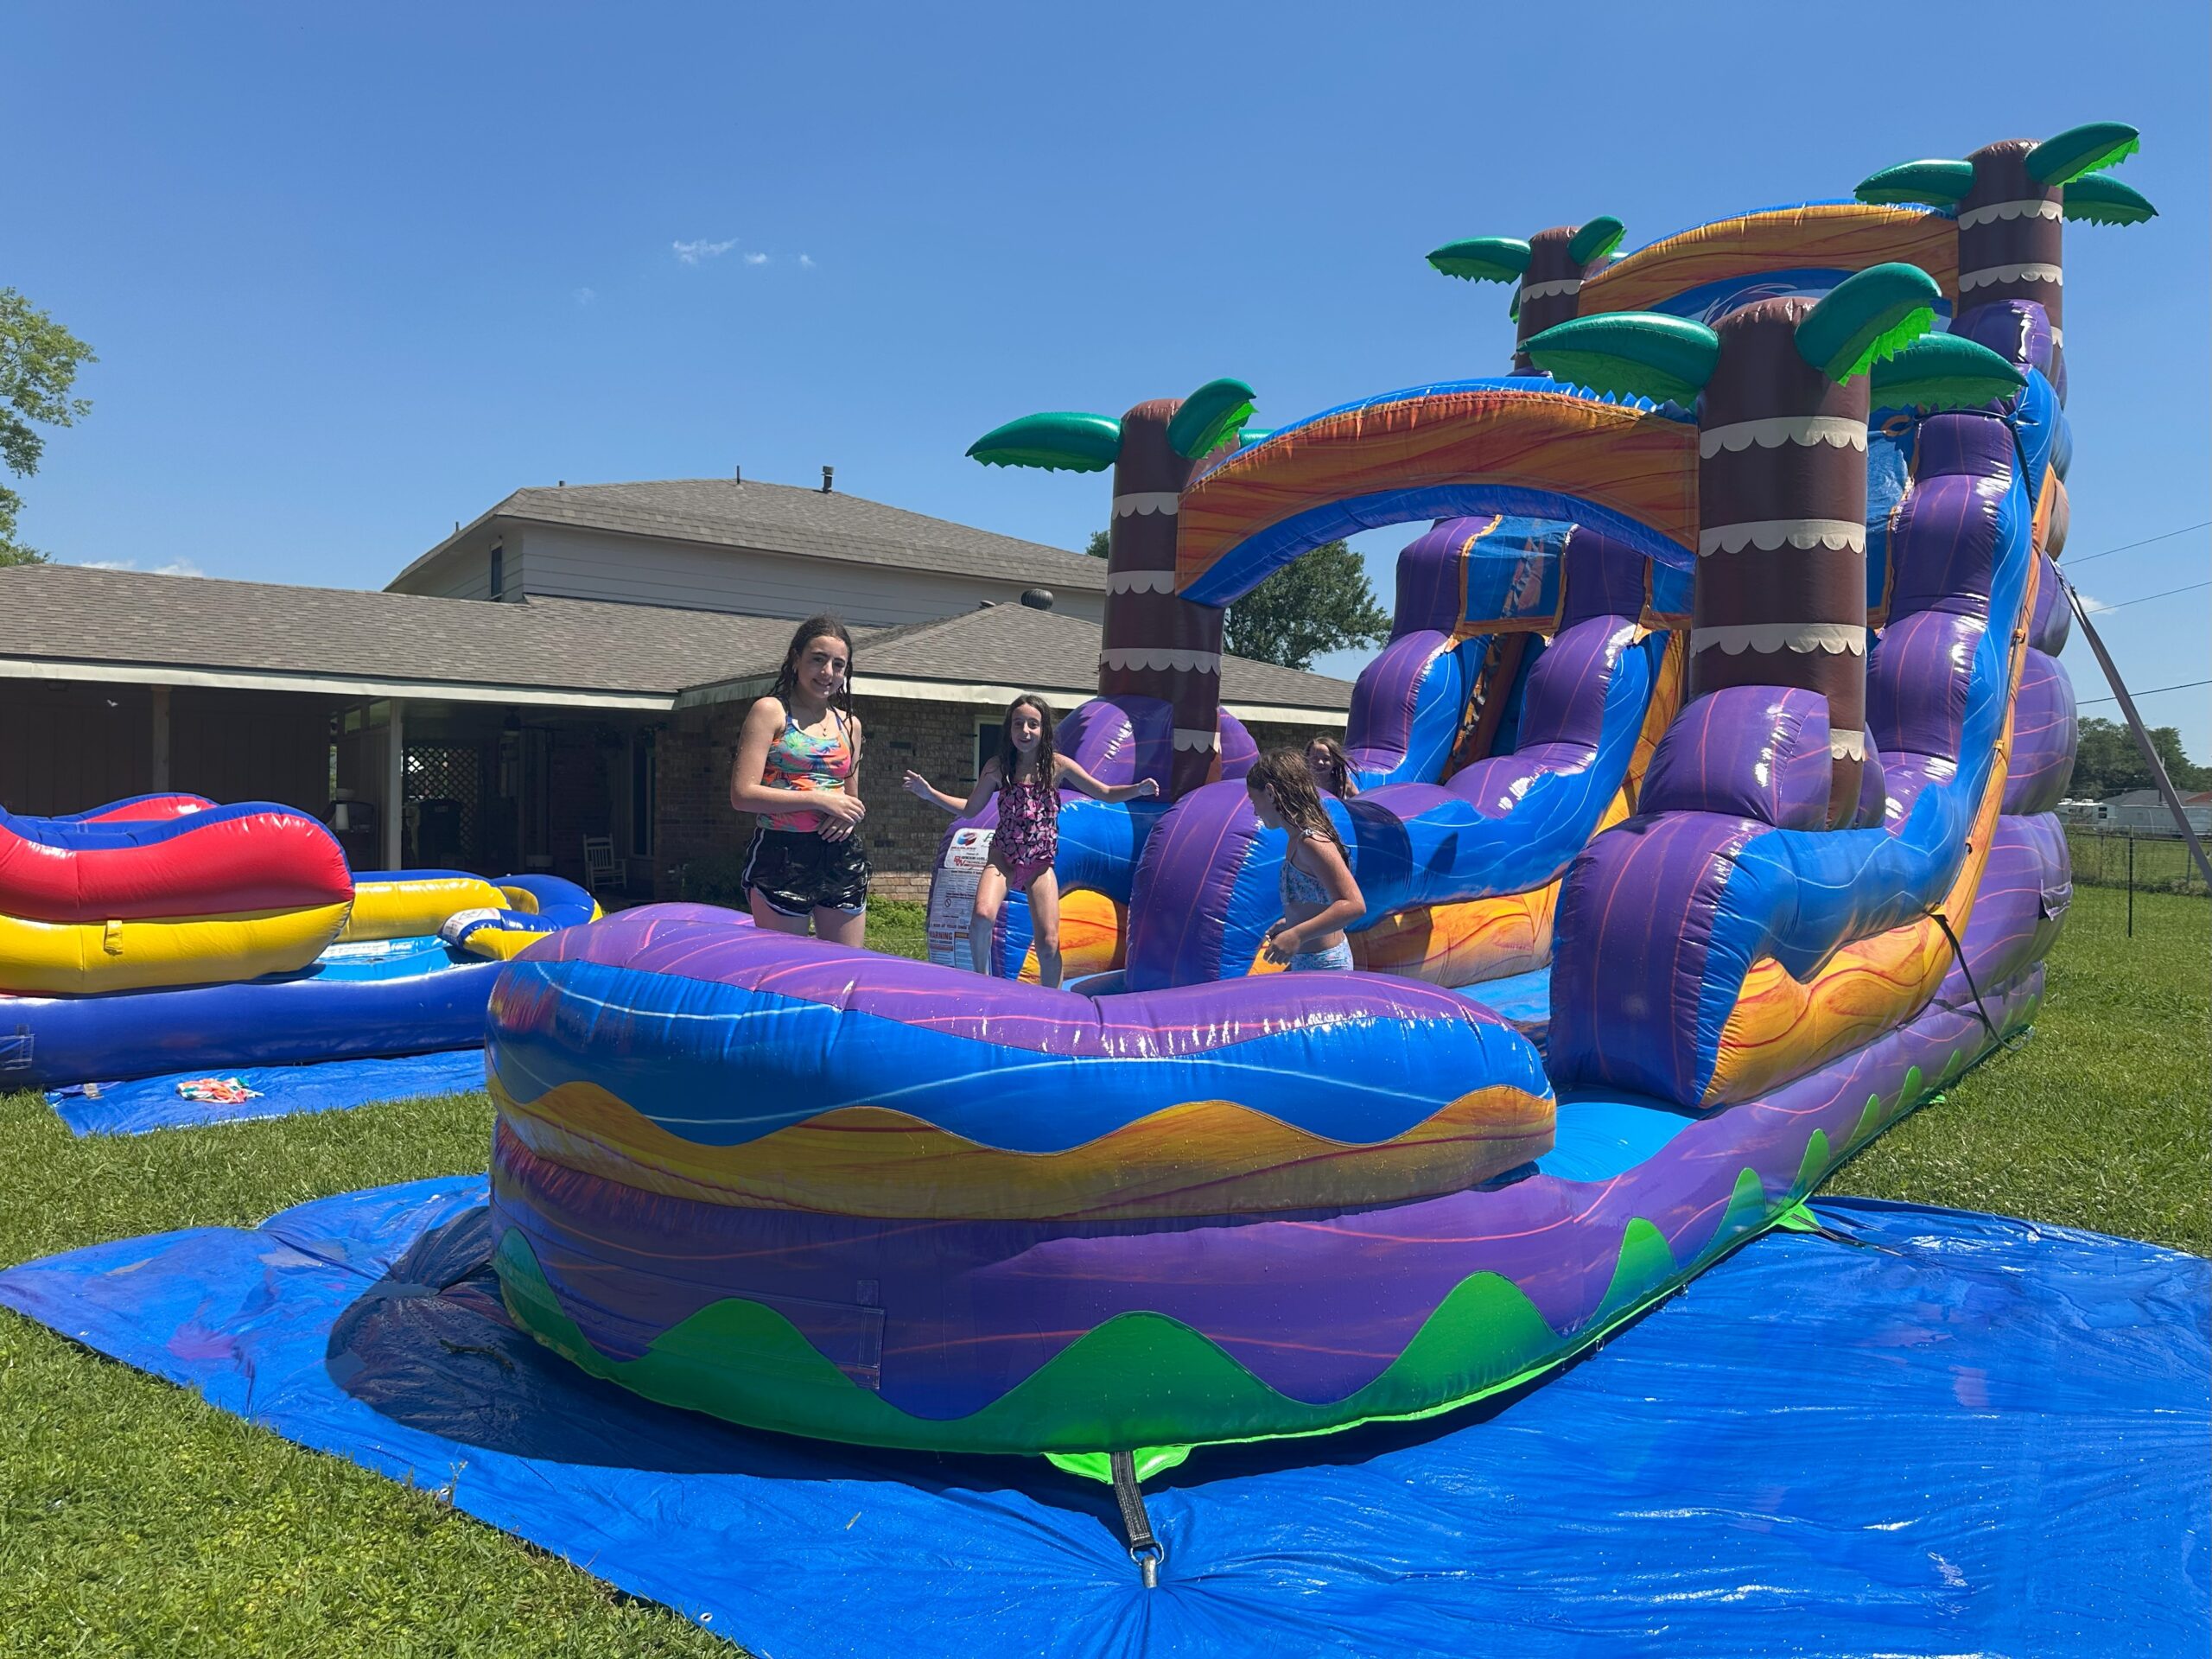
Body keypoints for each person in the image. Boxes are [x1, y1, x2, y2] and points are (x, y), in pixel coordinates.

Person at [903, 693, 1157, 988]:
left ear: (1044, 731)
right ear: (1009, 730)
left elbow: (1105, 793)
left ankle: (1053, 1003)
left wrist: (1137, 789)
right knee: (982, 915)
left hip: (1039, 865)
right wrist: (929, 793)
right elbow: (971, 809)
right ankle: (981, 985)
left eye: (1033, 725)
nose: (1025, 731)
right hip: (1003, 859)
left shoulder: (1057, 767)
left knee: (1048, 942)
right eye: (1018, 724)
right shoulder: (998, 768)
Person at [728, 615, 869, 946]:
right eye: (817, 660)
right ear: (795, 660)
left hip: (839, 855)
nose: (827, 673)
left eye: (838, 664)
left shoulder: (850, 725)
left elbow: (850, 800)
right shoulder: (770, 712)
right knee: (783, 971)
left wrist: (848, 817)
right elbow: (742, 795)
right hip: (782, 853)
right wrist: (818, 800)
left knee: (844, 968)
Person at [1246, 748, 1365, 971]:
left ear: (1271, 794)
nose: (1255, 812)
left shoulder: (1311, 842)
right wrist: (1290, 924)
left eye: (1254, 801)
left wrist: (1297, 934)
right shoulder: (1295, 839)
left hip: (1325, 964)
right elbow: (1316, 900)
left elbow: (1354, 905)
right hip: (1311, 961)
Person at [1305, 734, 1359, 798]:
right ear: (1307, 760)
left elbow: (1360, 801)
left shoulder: (1341, 781)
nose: (1320, 762)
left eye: (1326, 759)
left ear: (1335, 762)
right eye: (1314, 758)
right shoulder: (1304, 783)